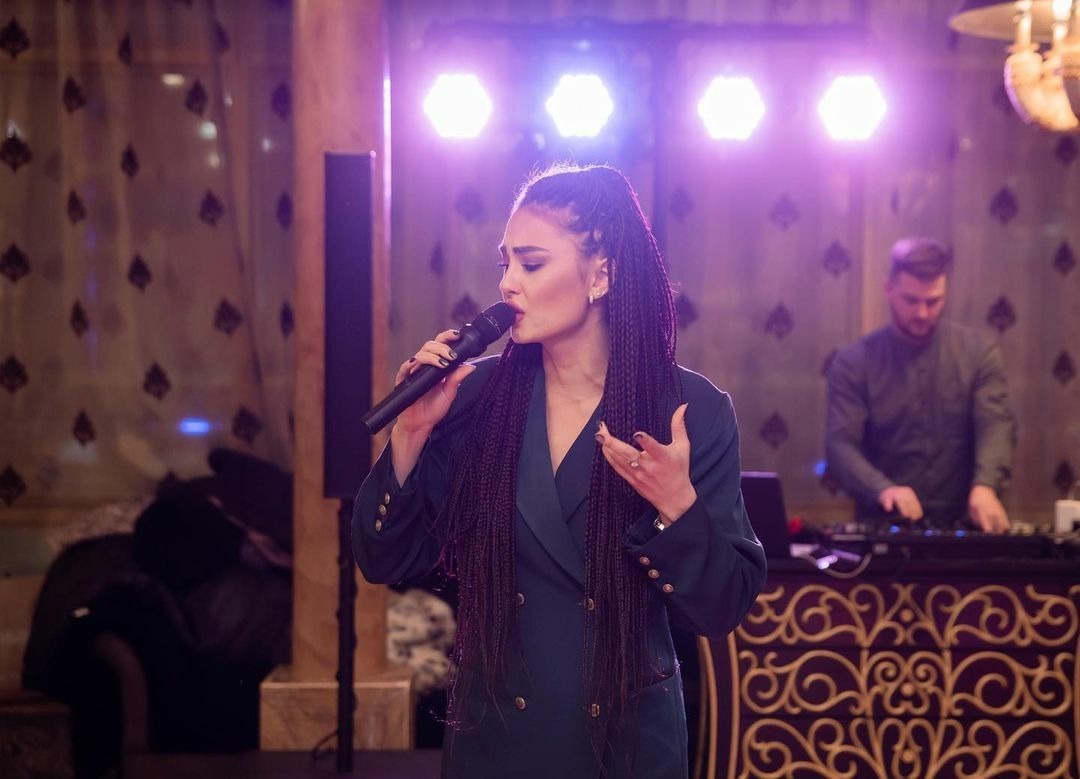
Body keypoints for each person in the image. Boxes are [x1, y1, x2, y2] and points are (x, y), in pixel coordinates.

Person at [353, 163, 766, 778]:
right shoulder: (475, 396)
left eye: (531, 263)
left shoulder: (688, 410)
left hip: (625, 744)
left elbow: (721, 608)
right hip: (498, 735)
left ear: (601, 274)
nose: (507, 284)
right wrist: (411, 432)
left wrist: (676, 508)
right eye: (505, 264)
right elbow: (384, 560)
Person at [825, 237, 1017, 533]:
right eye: (911, 300)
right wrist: (882, 488)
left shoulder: (979, 353)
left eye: (933, 301)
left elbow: (996, 426)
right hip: (883, 526)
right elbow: (840, 445)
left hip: (964, 525)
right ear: (889, 290)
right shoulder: (854, 362)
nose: (922, 313)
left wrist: (986, 485)